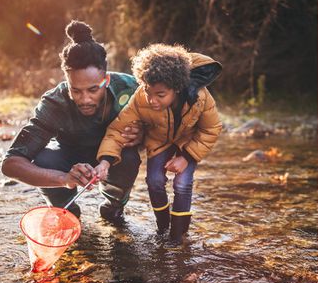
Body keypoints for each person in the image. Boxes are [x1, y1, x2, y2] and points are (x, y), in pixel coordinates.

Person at [1, 20, 143, 224]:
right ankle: (67, 213)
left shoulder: (131, 89)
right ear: (67, 81)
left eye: (93, 89)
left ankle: (113, 208)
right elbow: (11, 164)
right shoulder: (54, 102)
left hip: (115, 158)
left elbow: (167, 125)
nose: (85, 99)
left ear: (107, 80)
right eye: (76, 90)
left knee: (130, 157)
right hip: (68, 159)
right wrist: (63, 179)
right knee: (44, 159)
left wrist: (143, 135)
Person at [93, 44, 222, 244]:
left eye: (160, 95)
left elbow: (211, 129)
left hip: (188, 143)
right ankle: (163, 228)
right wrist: (105, 161)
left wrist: (186, 157)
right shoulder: (140, 99)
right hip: (159, 141)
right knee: (153, 181)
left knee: (182, 183)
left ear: (177, 88)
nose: (152, 100)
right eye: (147, 91)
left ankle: (178, 236)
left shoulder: (201, 98)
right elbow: (118, 130)